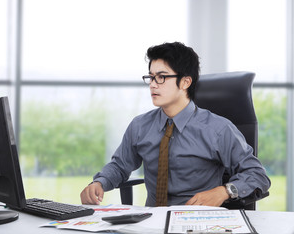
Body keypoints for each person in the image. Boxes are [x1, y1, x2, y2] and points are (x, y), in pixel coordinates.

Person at [80, 42, 271, 207]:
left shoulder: (218, 129)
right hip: (150, 222)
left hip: (199, 223)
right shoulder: (140, 126)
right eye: (151, 77)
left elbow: (258, 175)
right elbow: (120, 166)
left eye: (161, 77)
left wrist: (224, 191)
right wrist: (100, 182)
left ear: (186, 82)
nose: (153, 85)